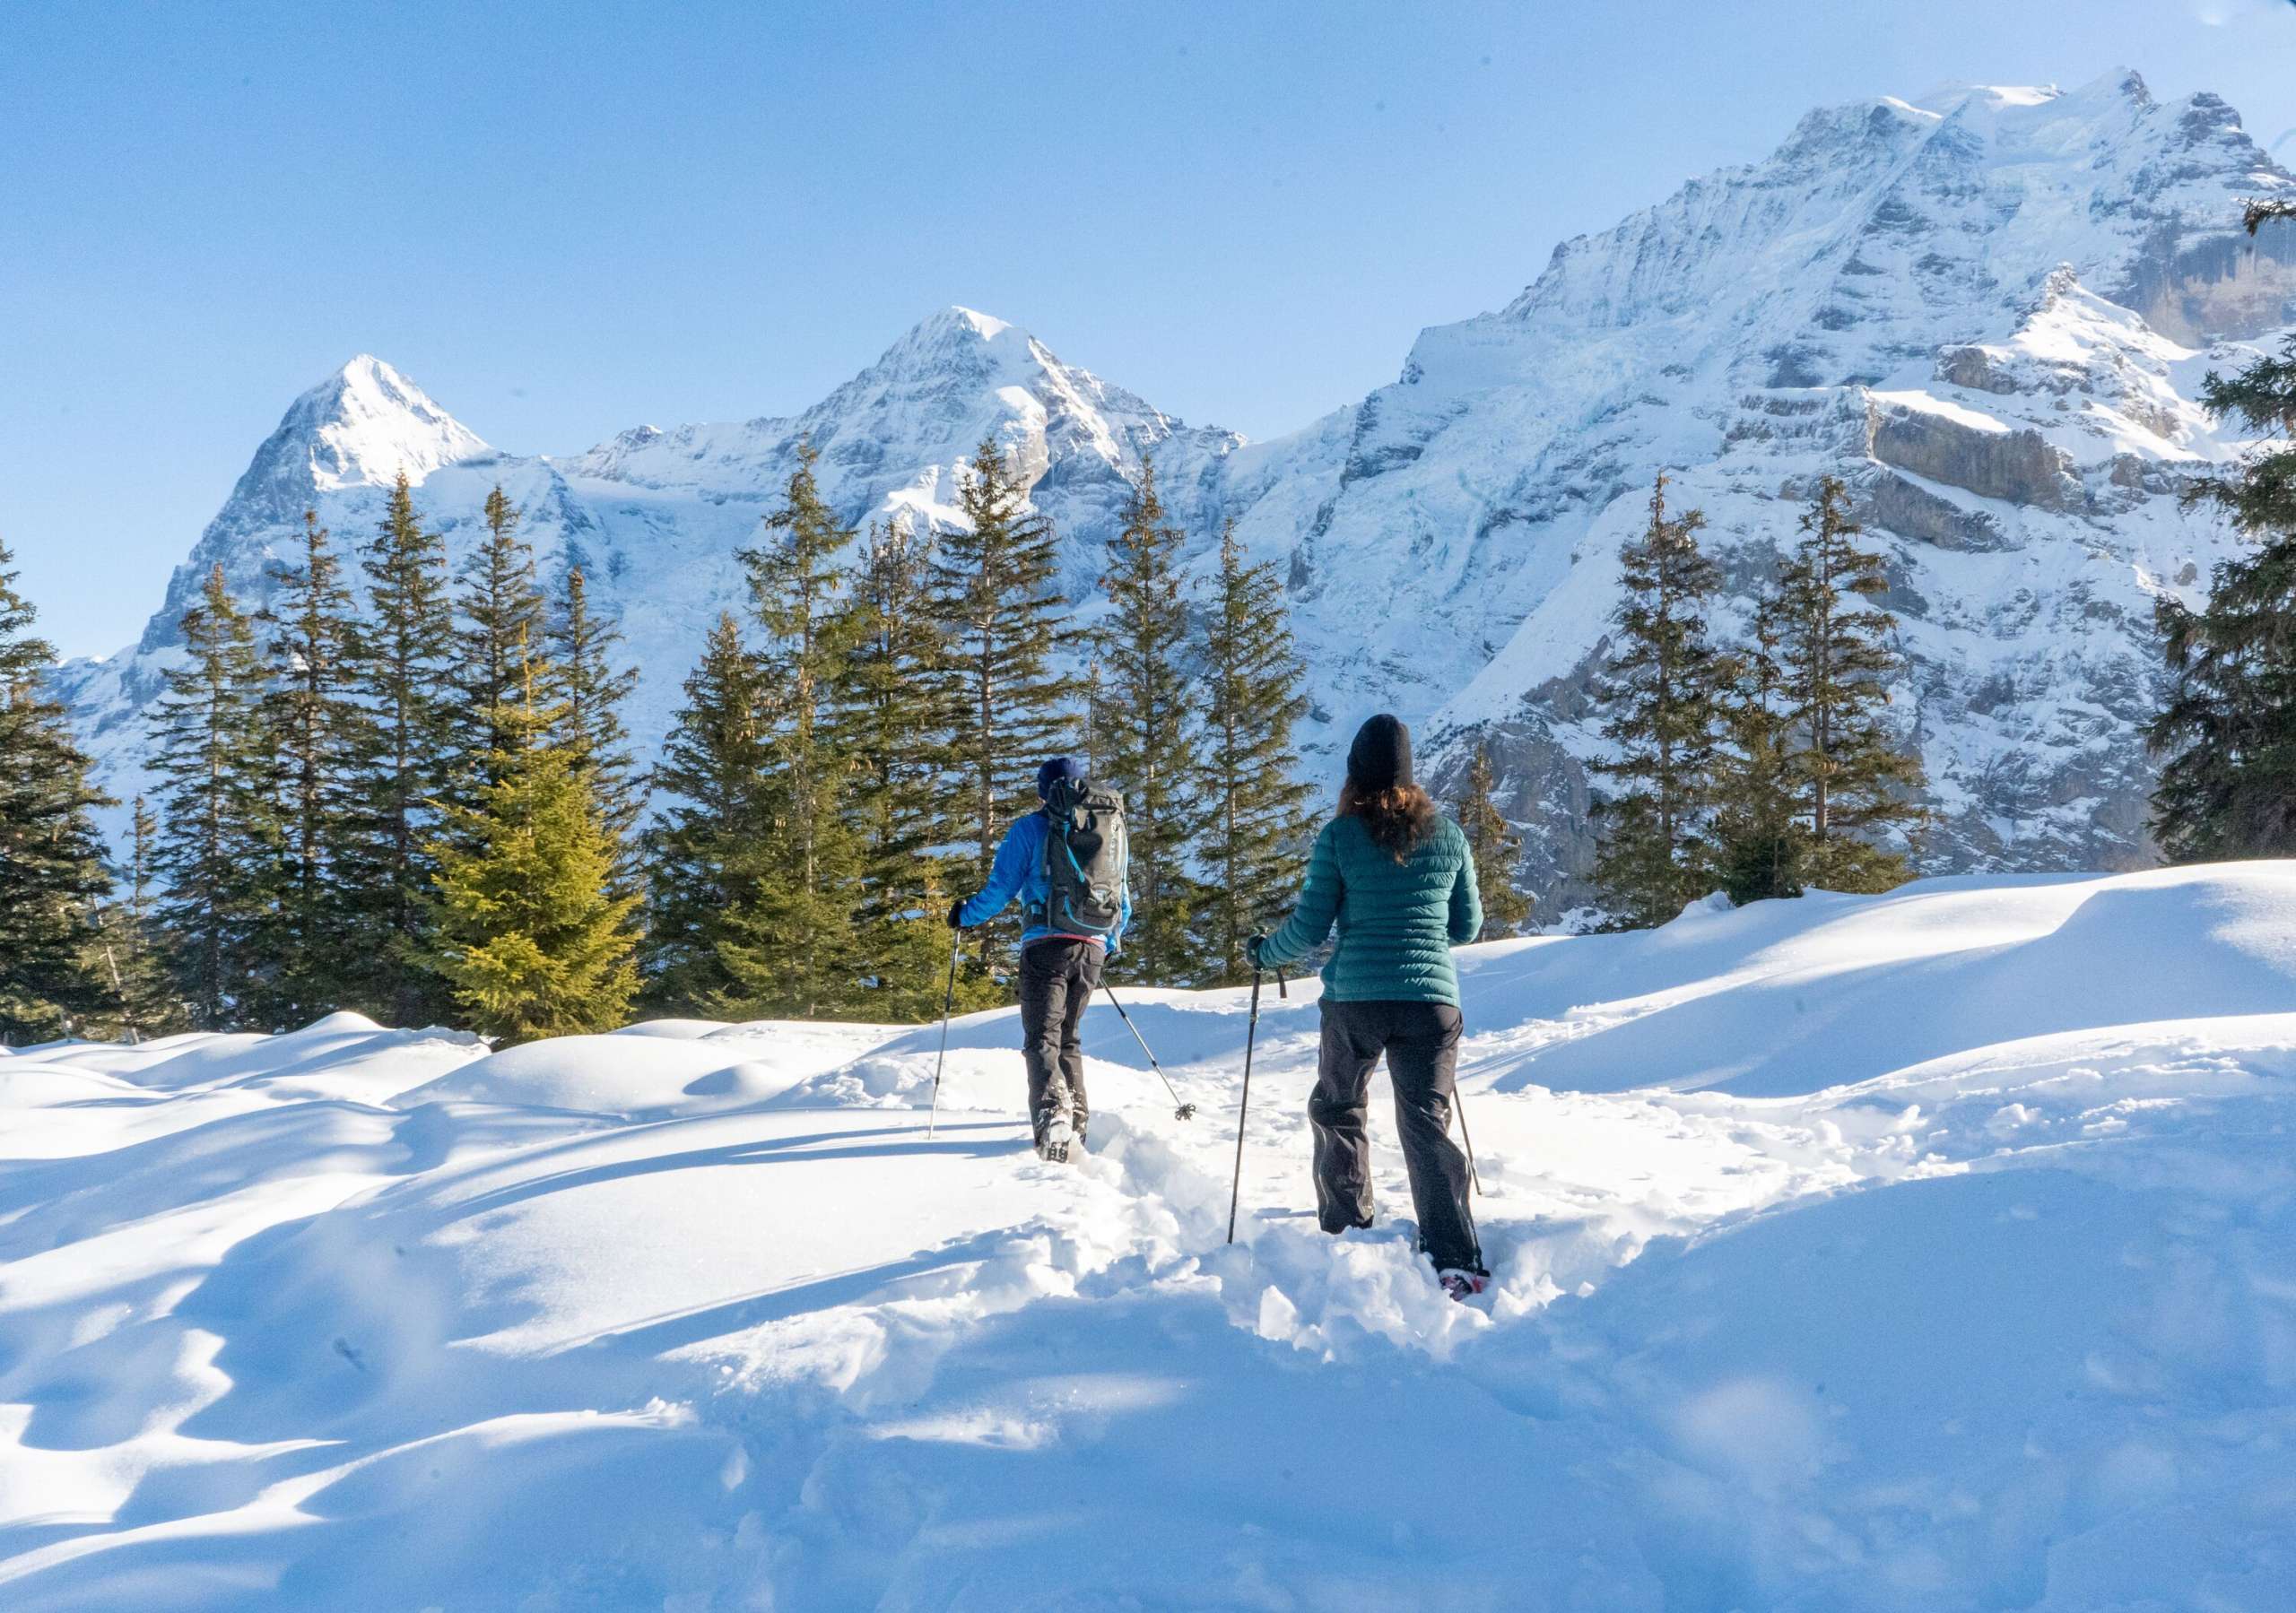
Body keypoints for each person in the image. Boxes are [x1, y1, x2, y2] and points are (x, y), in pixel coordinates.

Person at [1248, 714, 1489, 1299]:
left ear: (1354, 775)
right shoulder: (1449, 836)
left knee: (1338, 1107)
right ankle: (1455, 1256)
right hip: (1430, 1003)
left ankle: (1347, 1230)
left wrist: (1263, 952)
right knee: (1426, 1123)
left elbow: (1308, 929)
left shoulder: (1340, 838)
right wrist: (1420, 933)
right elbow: (1468, 925)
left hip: (1355, 999)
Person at [951, 757, 1132, 1163]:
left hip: (1045, 945)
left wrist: (964, 916)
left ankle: (1053, 1116)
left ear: (1041, 791)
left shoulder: (1030, 828)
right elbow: (1123, 895)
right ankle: (1077, 1118)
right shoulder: (1110, 828)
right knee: (1068, 1036)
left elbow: (1000, 890)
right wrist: (1107, 940)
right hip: (1093, 947)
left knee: (1041, 1038)